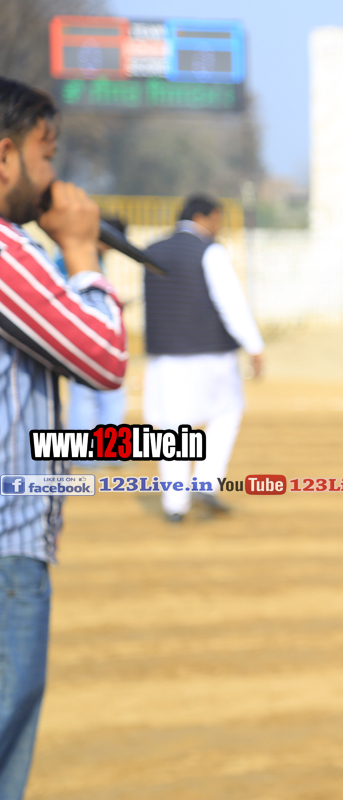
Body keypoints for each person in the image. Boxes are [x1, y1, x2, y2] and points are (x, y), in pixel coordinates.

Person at [0, 77, 128, 799]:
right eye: (47, 155)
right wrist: (82, 252)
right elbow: (102, 356)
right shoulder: (6, 250)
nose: (55, 176)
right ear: (5, 157)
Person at [143, 194, 264, 523]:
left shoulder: (153, 250)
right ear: (202, 217)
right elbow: (230, 303)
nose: (219, 227)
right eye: (217, 219)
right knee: (227, 411)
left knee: (172, 430)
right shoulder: (210, 251)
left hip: (164, 357)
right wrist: (254, 345)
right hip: (210, 353)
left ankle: (175, 505)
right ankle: (206, 482)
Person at [67, 217, 129, 461]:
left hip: (80, 335)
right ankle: (104, 454)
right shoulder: (83, 259)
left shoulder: (79, 254)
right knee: (102, 393)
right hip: (90, 336)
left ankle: (89, 456)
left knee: (84, 394)